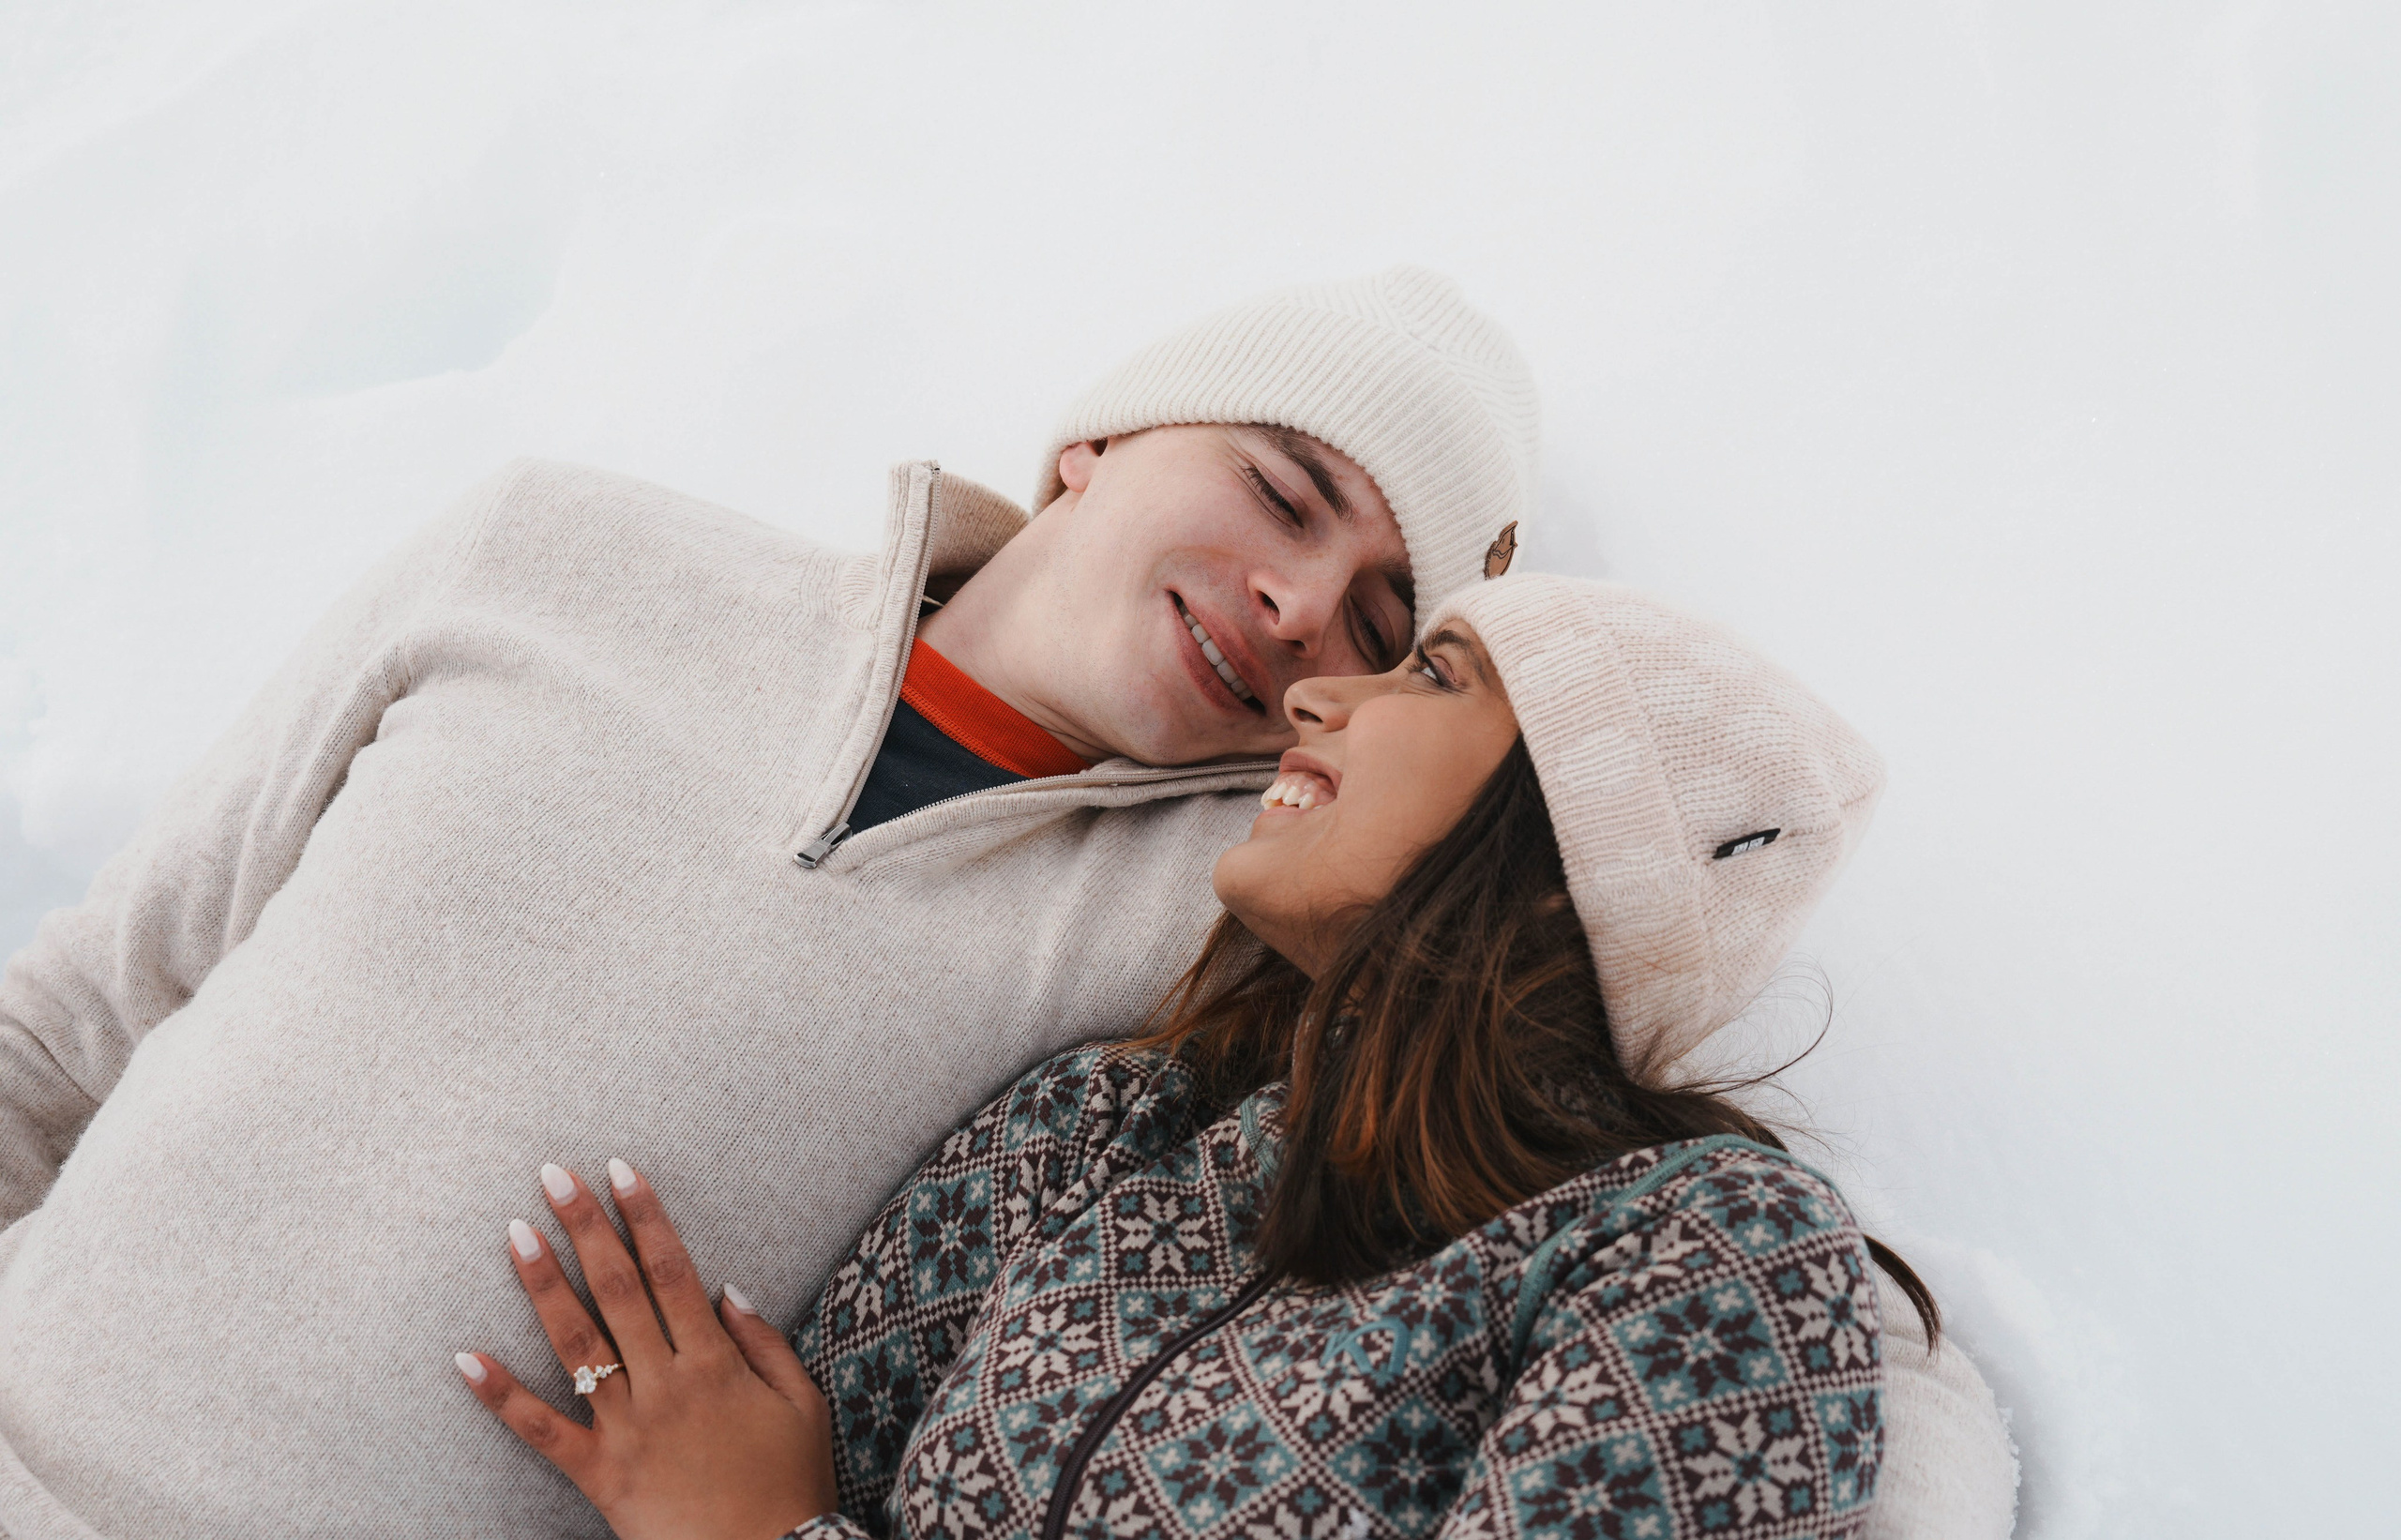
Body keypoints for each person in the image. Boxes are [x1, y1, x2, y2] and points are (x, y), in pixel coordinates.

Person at [0, 268, 1542, 1539]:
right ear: (1097, 445)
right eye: (1282, 494)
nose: (1297, 608)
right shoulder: (552, 552)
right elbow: (72, 1027)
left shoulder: (1199, 938)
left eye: (1374, 621)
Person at [456, 574, 2018, 1539]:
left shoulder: (1701, 1253)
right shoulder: (1104, 1124)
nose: (1318, 689)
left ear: (1575, 850)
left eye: (1437, 674)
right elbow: (737, 1466)